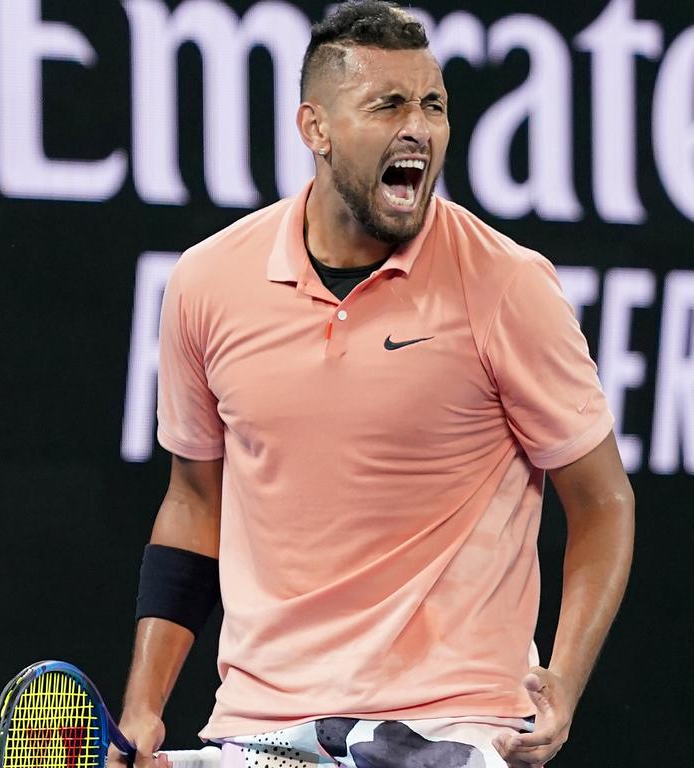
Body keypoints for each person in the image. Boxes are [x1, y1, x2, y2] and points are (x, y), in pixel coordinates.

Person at [110, 2, 634, 767]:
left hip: (450, 728)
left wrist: (563, 678)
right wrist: (145, 705)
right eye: (387, 104)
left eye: (433, 106)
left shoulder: (507, 286)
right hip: (259, 724)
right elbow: (195, 502)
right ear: (315, 129)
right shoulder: (206, 282)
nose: (418, 128)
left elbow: (603, 501)